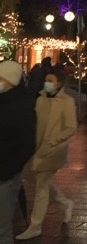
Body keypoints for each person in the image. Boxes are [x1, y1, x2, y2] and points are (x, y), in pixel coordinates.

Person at [16, 70, 76, 240]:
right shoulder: (41, 99)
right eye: (46, 80)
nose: (46, 83)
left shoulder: (67, 102)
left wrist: (52, 142)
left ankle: (35, 226)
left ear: (59, 83)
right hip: (37, 148)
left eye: (50, 80)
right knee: (41, 182)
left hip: (53, 150)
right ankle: (65, 203)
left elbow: (71, 127)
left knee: (41, 188)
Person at [0, 61, 35, 244]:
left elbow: (28, 144)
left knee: (2, 228)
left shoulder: (22, 107)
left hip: (6, 176)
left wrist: (9, 169)